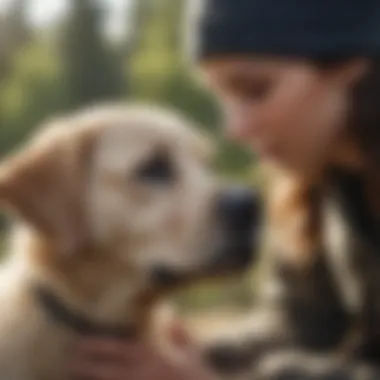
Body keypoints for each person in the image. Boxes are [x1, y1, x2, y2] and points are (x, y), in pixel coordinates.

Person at [68, 0, 380, 379]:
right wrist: (198, 355)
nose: (234, 128)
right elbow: (300, 326)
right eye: (222, 97)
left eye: (255, 91)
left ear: (349, 64)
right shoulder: (313, 188)